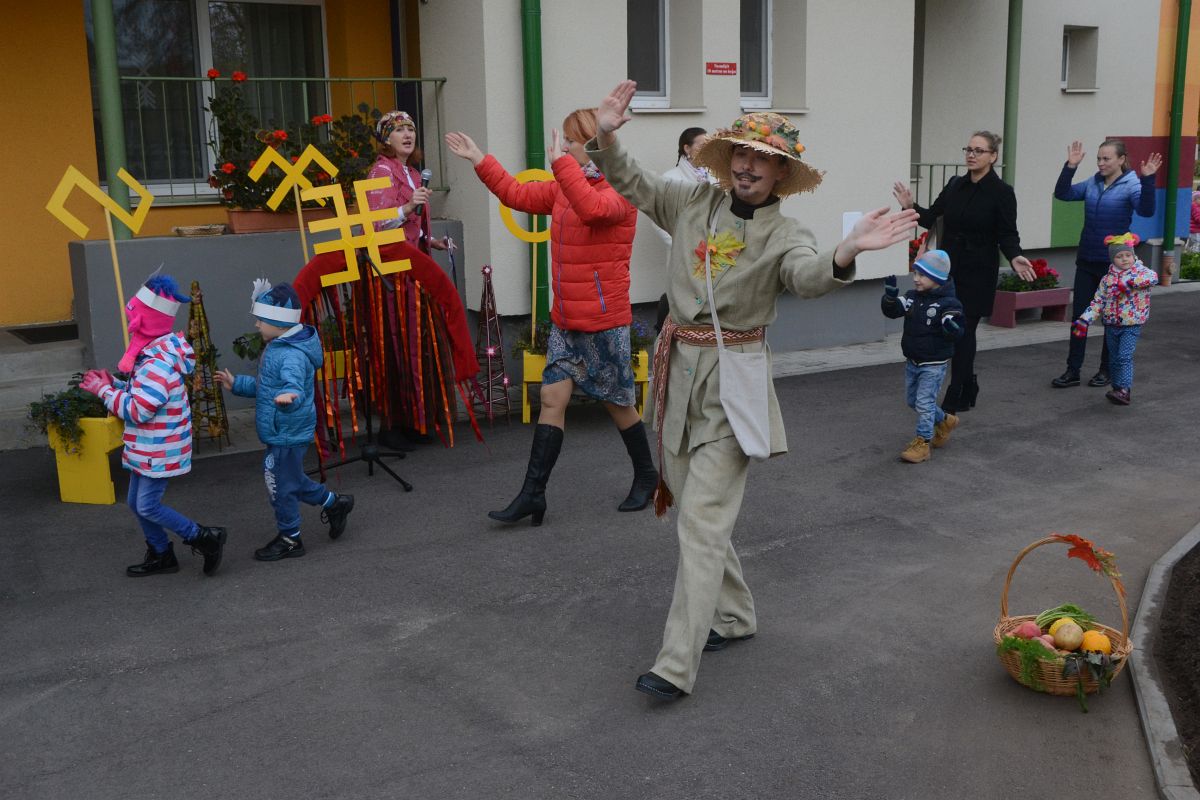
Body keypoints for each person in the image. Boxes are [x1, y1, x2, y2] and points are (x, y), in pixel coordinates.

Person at [587, 80, 918, 700]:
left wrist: (846, 253)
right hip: (676, 377)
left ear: (780, 173)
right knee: (696, 512)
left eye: (763, 158)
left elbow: (808, 275)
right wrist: (606, 135)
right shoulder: (690, 202)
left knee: (701, 524)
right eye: (740, 152)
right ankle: (735, 616)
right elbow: (632, 181)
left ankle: (676, 664)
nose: (747, 165)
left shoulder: (786, 234)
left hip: (732, 388)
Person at [445, 110, 656, 525]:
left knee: (618, 404)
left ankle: (647, 476)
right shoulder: (564, 185)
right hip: (566, 320)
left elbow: (591, 209)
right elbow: (516, 195)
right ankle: (533, 495)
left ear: (594, 145)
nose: (564, 147)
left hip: (602, 321)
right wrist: (480, 159)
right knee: (551, 400)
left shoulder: (622, 188)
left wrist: (561, 165)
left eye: (572, 142)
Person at [79, 273, 227, 578]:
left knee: (146, 506)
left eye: (132, 320)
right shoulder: (155, 356)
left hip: (158, 450)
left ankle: (203, 537)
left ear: (142, 323)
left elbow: (138, 410)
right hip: (150, 447)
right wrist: (115, 384)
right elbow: (143, 394)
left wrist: (103, 391)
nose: (130, 326)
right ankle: (161, 553)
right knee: (137, 503)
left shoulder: (155, 364)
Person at [892, 131, 1034, 414]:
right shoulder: (955, 185)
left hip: (978, 273)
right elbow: (931, 217)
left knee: (963, 331)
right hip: (949, 271)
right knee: (953, 330)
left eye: (979, 150)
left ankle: (956, 391)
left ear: (993, 156)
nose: (971, 155)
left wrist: (1015, 255)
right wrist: (910, 206)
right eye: (968, 149)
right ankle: (968, 385)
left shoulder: (1002, 193)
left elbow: (1007, 233)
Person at [216, 281, 354, 561]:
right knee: (288, 479)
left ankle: (291, 538)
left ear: (279, 323)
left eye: (261, 319)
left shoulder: (291, 354)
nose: (257, 325)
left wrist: (291, 394)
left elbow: (294, 384)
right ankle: (334, 503)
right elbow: (268, 387)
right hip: (282, 429)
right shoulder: (278, 346)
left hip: (288, 431)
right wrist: (238, 384)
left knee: (278, 484)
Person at [1051, 138, 1161, 389]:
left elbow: (1146, 211)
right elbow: (1063, 194)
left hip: (1114, 266)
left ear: (1121, 159)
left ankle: (1105, 370)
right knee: (1079, 317)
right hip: (1087, 259)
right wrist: (1070, 166)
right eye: (1099, 158)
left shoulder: (1131, 184)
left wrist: (1148, 180)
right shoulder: (1093, 183)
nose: (1100, 163)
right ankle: (1072, 370)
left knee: (1111, 319)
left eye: (1106, 158)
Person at [880, 250, 965, 463]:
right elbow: (894, 310)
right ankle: (945, 420)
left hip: (933, 364)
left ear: (937, 278)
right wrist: (890, 298)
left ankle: (922, 443)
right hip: (913, 360)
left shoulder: (949, 303)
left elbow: (955, 328)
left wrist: (951, 327)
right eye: (915, 273)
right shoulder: (912, 297)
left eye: (922, 275)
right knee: (913, 401)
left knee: (924, 403)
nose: (916, 278)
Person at [1071, 233, 1158, 405]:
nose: (1124, 259)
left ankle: (1124, 390)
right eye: (1119, 256)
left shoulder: (1141, 272)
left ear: (1133, 255)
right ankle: (1117, 388)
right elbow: (1098, 301)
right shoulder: (1107, 279)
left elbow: (1153, 278)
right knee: (1114, 358)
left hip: (1131, 323)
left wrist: (1129, 283)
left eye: (1128, 255)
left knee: (1124, 356)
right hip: (1111, 324)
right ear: (1112, 259)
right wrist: (1084, 320)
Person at [654, 127, 719, 331]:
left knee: (712, 298)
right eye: (701, 145)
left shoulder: (715, 177)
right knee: (684, 298)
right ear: (687, 148)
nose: (707, 149)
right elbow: (657, 217)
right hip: (683, 252)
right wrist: (680, 242)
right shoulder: (671, 178)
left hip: (715, 251)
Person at [365, 110, 448, 254]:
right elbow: (377, 223)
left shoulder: (414, 174)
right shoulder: (381, 171)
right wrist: (409, 207)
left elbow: (411, 224)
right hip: (391, 259)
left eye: (411, 129)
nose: (408, 135)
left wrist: (432, 241)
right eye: (399, 130)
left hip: (412, 254)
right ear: (387, 139)